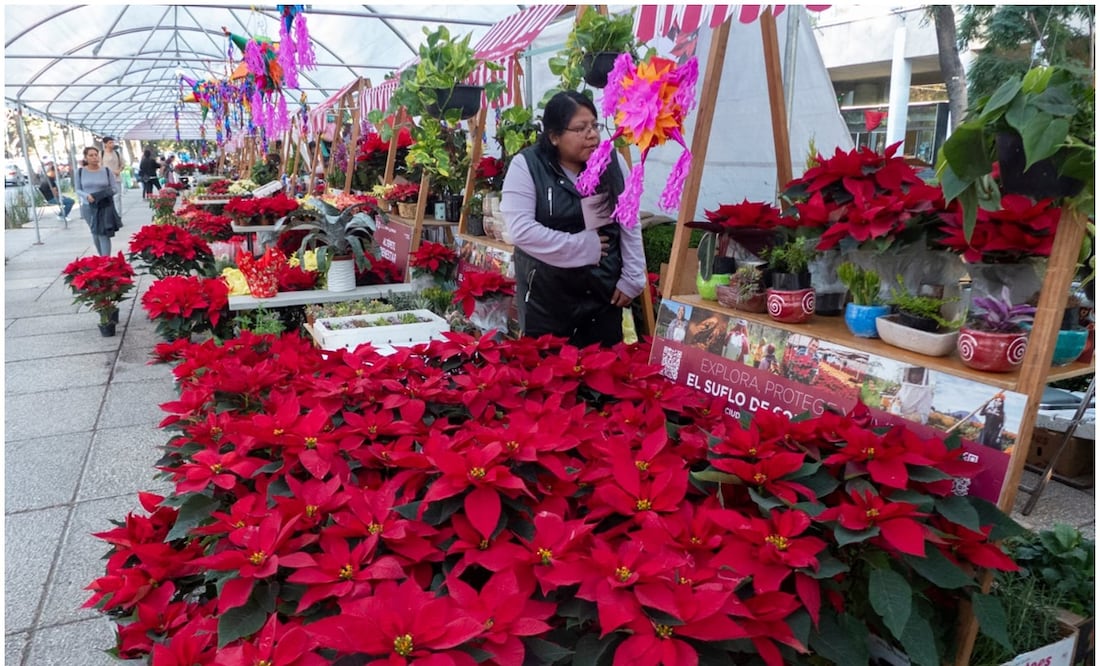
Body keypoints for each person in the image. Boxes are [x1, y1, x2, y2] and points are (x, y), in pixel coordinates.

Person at [500, 91, 646, 347]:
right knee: (551, 378)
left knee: (602, 377)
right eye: (580, 128)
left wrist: (633, 276)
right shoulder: (527, 165)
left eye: (595, 125)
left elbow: (628, 219)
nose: (592, 134)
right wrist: (581, 246)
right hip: (546, 299)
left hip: (602, 296)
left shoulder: (612, 161)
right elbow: (521, 231)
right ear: (554, 136)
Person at [75, 146, 120, 256]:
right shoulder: (80, 172)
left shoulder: (106, 171)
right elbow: (78, 189)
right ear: (86, 157)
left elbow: (115, 188)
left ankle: (106, 261)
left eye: (96, 155)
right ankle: (102, 259)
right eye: (91, 155)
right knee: (95, 233)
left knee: (103, 233)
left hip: (104, 206)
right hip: (88, 207)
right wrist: (86, 196)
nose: (94, 157)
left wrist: (103, 195)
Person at [101, 137, 123, 211]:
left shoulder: (117, 153)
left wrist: (119, 170)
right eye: (110, 142)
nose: (112, 144)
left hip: (116, 179)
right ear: (105, 144)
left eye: (113, 142)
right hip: (105, 180)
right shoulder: (101, 154)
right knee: (107, 199)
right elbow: (99, 166)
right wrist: (111, 171)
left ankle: (118, 217)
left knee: (117, 197)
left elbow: (122, 164)